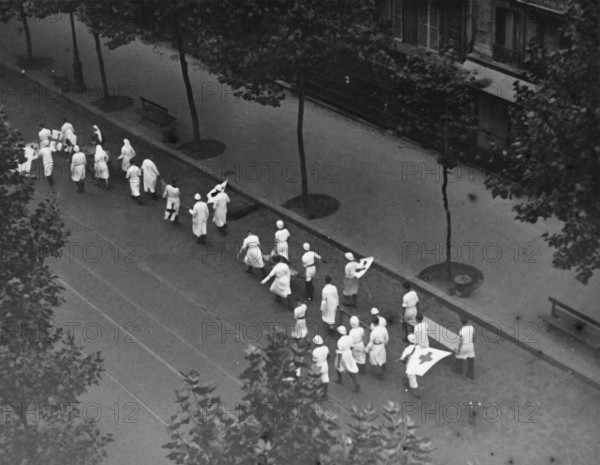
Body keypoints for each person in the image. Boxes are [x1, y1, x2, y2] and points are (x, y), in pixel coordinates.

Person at [334, 326, 360, 392]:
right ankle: (356, 383)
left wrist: (338, 363)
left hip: (343, 355)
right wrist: (348, 351)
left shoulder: (340, 341)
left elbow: (339, 353)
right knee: (350, 368)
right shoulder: (350, 338)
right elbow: (352, 347)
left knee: (339, 367)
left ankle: (340, 380)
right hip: (349, 353)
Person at [365, 315, 388, 380]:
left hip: (375, 347)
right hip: (381, 345)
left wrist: (366, 350)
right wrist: (384, 345)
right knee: (382, 358)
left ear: (373, 323)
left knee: (375, 361)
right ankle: (383, 368)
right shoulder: (384, 329)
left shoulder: (373, 332)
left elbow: (371, 342)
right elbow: (387, 339)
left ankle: (380, 376)